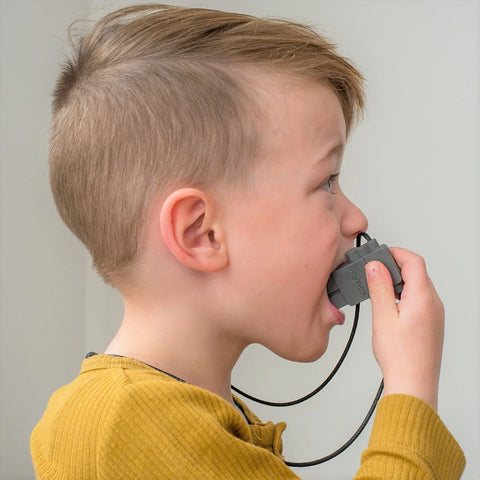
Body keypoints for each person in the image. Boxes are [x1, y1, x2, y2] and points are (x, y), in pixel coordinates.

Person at [31, 4, 465, 479]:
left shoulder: (177, 418)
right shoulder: (128, 425)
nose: (357, 217)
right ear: (202, 233)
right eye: (327, 182)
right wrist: (411, 392)